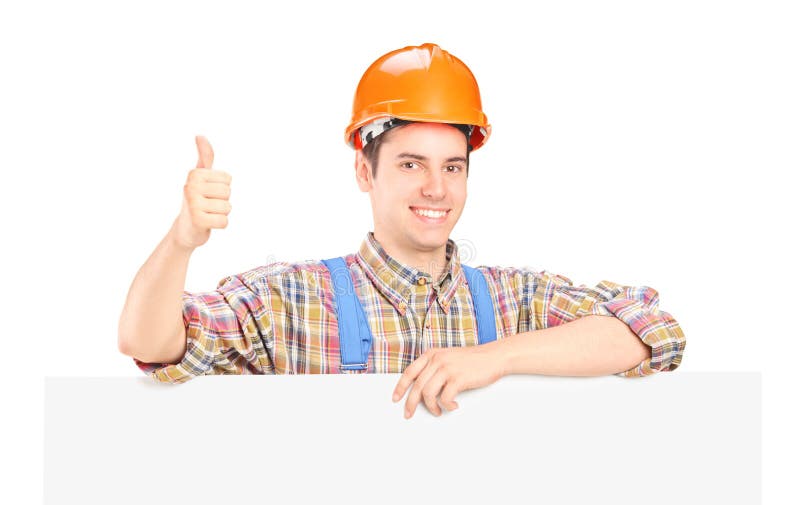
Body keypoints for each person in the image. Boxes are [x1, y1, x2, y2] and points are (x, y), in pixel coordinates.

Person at [117, 43, 686, 419]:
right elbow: (149, 342)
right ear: (365, 171)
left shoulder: (515, 300)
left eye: (452, 167)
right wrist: (182, 241)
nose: (436, 189)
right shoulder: (290, 300)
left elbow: (652, 332)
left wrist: (496, 357)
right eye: (411, 164)